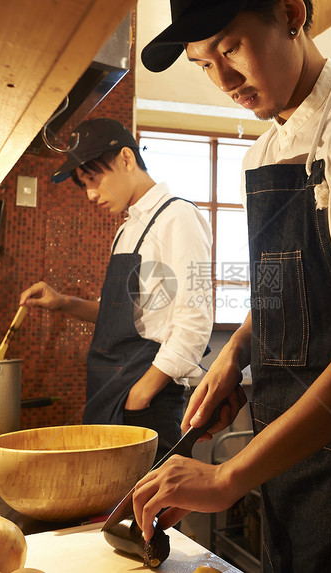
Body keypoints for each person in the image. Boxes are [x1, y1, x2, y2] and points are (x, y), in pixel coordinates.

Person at [134, 1, 331, 571]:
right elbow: (283, 287)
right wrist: (238, 352)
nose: (224, 80)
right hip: (286, 448)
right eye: (203, 63)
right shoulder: (263, 153)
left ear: (290, 13)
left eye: (231, 49)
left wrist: (228, 476)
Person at [19, 118, 213, 463]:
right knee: (113, 513)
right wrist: (63, 303)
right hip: (110, 391)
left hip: (145, 399)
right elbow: (118, 314)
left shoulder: (178, 217)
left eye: (93, 179)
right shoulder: (127, 229)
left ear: (126, 158)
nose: (91, 194)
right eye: (83, 185)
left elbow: (195, 320)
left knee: (154, 512)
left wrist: (141, 394)